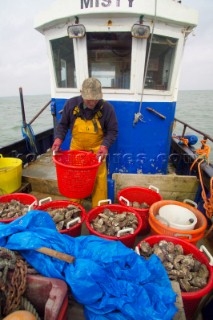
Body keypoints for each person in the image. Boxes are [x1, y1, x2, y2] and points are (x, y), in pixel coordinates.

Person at [52, 77, 118, 207]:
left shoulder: (107, 108)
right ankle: (74, 207)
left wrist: (105, 146)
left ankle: (99, 209)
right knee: (75, 177)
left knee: (99, 180)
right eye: (89, 99)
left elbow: (112, 131)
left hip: (97, 150)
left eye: (95, 99)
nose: (92, 103)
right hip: (76, 148)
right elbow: (63, 125)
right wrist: (58, 139)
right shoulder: (71, 104)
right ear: (81, 93)